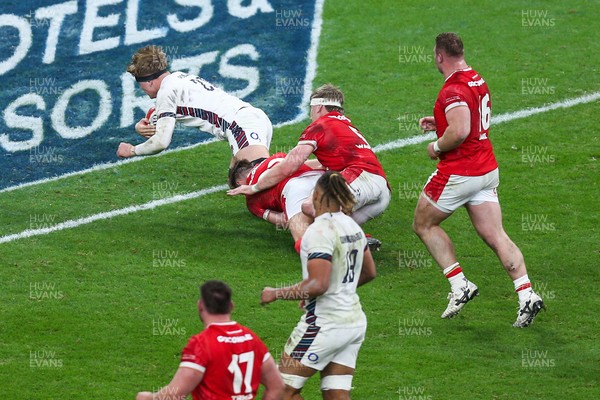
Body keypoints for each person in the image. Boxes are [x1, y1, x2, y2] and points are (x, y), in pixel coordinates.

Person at [412, 32, 545, 328]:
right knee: (496, 235)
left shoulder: (452, 91)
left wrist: (436, 145)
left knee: (423, 224)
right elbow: (467, 119)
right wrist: (441, 122)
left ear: (439, 56)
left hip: (460, 172)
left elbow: (459, 132)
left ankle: (459, 284)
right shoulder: (476, 78)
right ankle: (527, 294)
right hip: (486, 170)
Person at [260, 171, 377, 400]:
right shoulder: (353, 227)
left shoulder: (318, 231)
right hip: (353, 323)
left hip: (324, 324)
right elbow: (369, 272)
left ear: (316, 196)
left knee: (279, 392)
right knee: (336, 394)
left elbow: (318, 285)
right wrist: (338, 290)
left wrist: (276, 293)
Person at [227, 84, 390, 231]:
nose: (310, 114)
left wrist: (254, 187)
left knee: (308, 207)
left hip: (360, 178)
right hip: (382, 193)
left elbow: (289, 165)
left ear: (318, 107)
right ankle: (357, 245)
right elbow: (321, 163)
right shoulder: (346, 125)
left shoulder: (319, 126)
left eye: (311, 109)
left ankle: (353, 244)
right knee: (331, 230)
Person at [117, 45, 272, 168]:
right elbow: (164, 111)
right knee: (235, 180)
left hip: (241, 127)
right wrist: (144, 125)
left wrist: (132, 150)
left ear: (148, 81)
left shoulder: (166, 91)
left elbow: (161, 142)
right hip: (252, 119)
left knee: (261, 184)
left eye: (140, 85)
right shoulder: (180, 78)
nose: (142, 90)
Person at [136, 280, 284, 400]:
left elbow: (175, 394)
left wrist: (150, 397)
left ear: (200, 306)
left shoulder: (201, 344)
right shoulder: (252, 339)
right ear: (231, 306)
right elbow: (277, 386)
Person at [229, 153, 324, 248]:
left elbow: (283, 221)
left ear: (239, 183)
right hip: (321, 177)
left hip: (294, 188)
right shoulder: (277, 156)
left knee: (304, 243)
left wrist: (293, 216)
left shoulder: (251, 201)